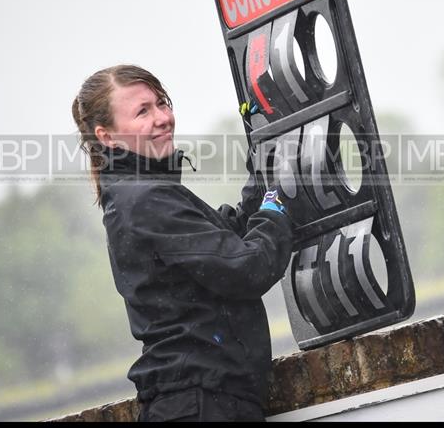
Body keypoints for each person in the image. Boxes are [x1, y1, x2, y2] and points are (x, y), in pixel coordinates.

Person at [71, 64, 293, 422]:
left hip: (202, 400)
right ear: (107, 136)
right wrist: (276, 208)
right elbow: (247, 267)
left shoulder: (145, 193)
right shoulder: (143, 200)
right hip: (199, 404)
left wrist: (263, 157)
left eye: (162, 103)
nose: (162, 118)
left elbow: (227, 236)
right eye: (143, 111)